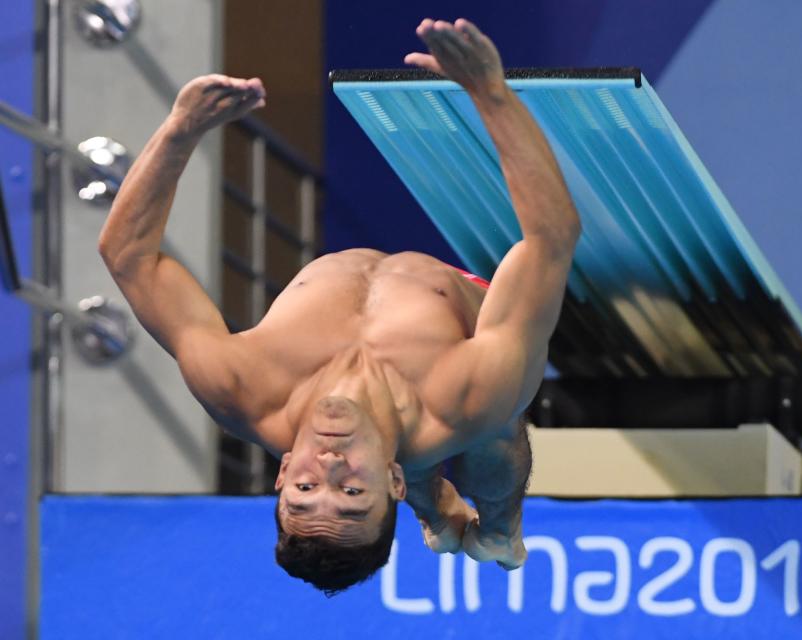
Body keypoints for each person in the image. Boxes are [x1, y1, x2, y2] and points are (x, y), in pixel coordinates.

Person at [98, 17, 580, 596]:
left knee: (417, 437)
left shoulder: (239, 387)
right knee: (495, 431)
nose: (327, 470)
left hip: (401, 424)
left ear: (280, 476)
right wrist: (489, 94)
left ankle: (442, 509)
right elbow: (550, 239)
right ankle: (499, 528)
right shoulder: (460, 398)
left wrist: (179, 130)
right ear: (390, 485)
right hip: (456, 307)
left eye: (304, 492)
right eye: (352, 496)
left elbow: (130, 258)